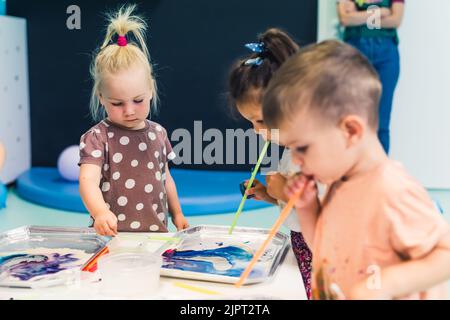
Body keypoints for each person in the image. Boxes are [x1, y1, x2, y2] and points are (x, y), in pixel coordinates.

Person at [263, 40, 450, 299]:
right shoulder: (339, 184)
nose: (296, 160)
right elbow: (323, 249)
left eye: (302, 148)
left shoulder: (392, 190)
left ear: (350, 131)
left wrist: (386, 283)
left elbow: (445, 255)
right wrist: (308, 209)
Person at [79, 5, 189, 236]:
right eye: (117, 103)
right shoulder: (98, 138)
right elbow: (87, 181)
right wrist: (99, 213)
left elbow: (166, 178)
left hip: (155, 235)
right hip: (112, 237)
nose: (129, 110)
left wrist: (176, 213)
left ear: (150, 90)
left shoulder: (158, 133)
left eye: (138, 100)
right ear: (101, 98)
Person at [228, 28, 312, 298]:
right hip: (301, 243)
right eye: (250, 121)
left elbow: (326, 210)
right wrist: (270, 195)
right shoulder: (292, 148)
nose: (255, 130)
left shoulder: (317, 153)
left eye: (261, 120)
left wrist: (285, 191)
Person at [337, 0, 405, 154]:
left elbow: (395, 20)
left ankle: (379, 174)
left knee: (381, 120)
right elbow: (345, 19)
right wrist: (381, 12)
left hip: (386, 57)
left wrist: (359, 17)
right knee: (352, 116)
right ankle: (351, 172)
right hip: (355, 53)